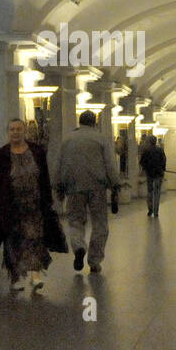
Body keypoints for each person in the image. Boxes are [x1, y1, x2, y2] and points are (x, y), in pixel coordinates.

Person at [0, 118, 54, 293]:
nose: (15, 132)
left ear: (24, 131)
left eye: (18, 129)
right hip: (10, 206)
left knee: (34, 238)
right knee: (13, 240)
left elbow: (44, 178)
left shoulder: (37, 152)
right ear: (8, 133)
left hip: (33, 205)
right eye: (12, 129)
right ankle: (15, 276)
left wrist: (48, 200)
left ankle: (35, 274)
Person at [54, 109, 119, 273]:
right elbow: (110, 164)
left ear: (80, 122)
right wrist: (115, 184)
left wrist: (58, 185)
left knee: (75, 221)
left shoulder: (67, 139)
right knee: (100, 224)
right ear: (94, 122)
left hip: (74, 187)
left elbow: (59, 164)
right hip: (97, 187)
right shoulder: (101, 139)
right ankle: (95, 260)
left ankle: (78, 247)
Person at [139, 132, 167, 218]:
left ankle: (150, 209)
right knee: (157, 193)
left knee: (150, 192)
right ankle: (156, 211)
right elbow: (164, 160)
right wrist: (162, 168)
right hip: (159, 174)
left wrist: (145, 168)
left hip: (150, 174)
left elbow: (142, 162)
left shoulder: (146, 151)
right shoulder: (160, 150)